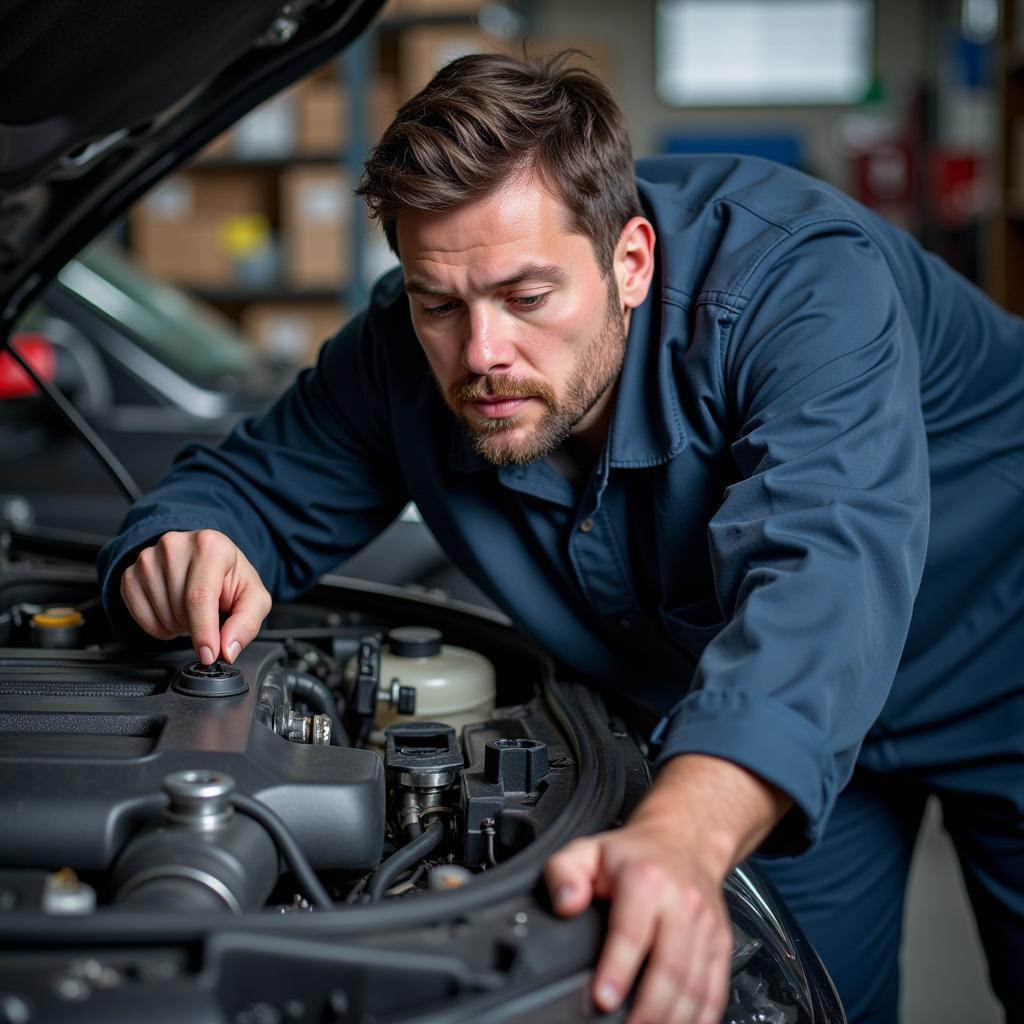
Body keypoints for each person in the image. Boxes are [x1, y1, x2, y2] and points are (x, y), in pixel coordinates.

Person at [97, 52, 1024, 1024]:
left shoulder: (799, 283)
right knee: (802, 1002)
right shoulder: (405, 352)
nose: (481, 353)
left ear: (629, 260)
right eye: (438, 303)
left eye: (527, 298)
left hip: (996, 662)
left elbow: (824, 572)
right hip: (757, 726)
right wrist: (189, 541)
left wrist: (675, 836)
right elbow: (246, 487)